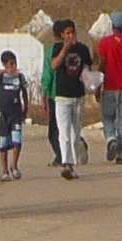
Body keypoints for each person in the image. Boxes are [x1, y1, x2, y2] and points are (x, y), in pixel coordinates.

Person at [45, 21, 94, 181]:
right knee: (63, 131)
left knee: (75, 131)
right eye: (67, 33)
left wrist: (91, 80)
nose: (70, 36)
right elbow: (53, 65)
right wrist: (65, 49)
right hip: (62, 96)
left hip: (78, 95)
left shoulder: (82, 49)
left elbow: (88, 67)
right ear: (62, 35)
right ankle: (66, 163)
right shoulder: (58, 48)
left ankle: (73, 163)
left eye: (72, 32)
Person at [95, 13, 122, 165]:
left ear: (112, 25)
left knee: (108, 117)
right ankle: (121, 155)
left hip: (109, 85)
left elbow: (102, 65)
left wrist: (97, 86)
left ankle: (111, 138)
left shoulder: (105, 43)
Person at [0, 50, 30, 179]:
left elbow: (24, 92)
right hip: (3, 113)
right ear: (5, 65)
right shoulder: (0, 77)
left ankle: (14, 166)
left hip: (16, 112)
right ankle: (5, 170)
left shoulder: (19, 77)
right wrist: (4, 72)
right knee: (3, 143)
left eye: (15, 63)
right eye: (11, 64)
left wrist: (26, 108)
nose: (14, 67)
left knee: (17, 140)